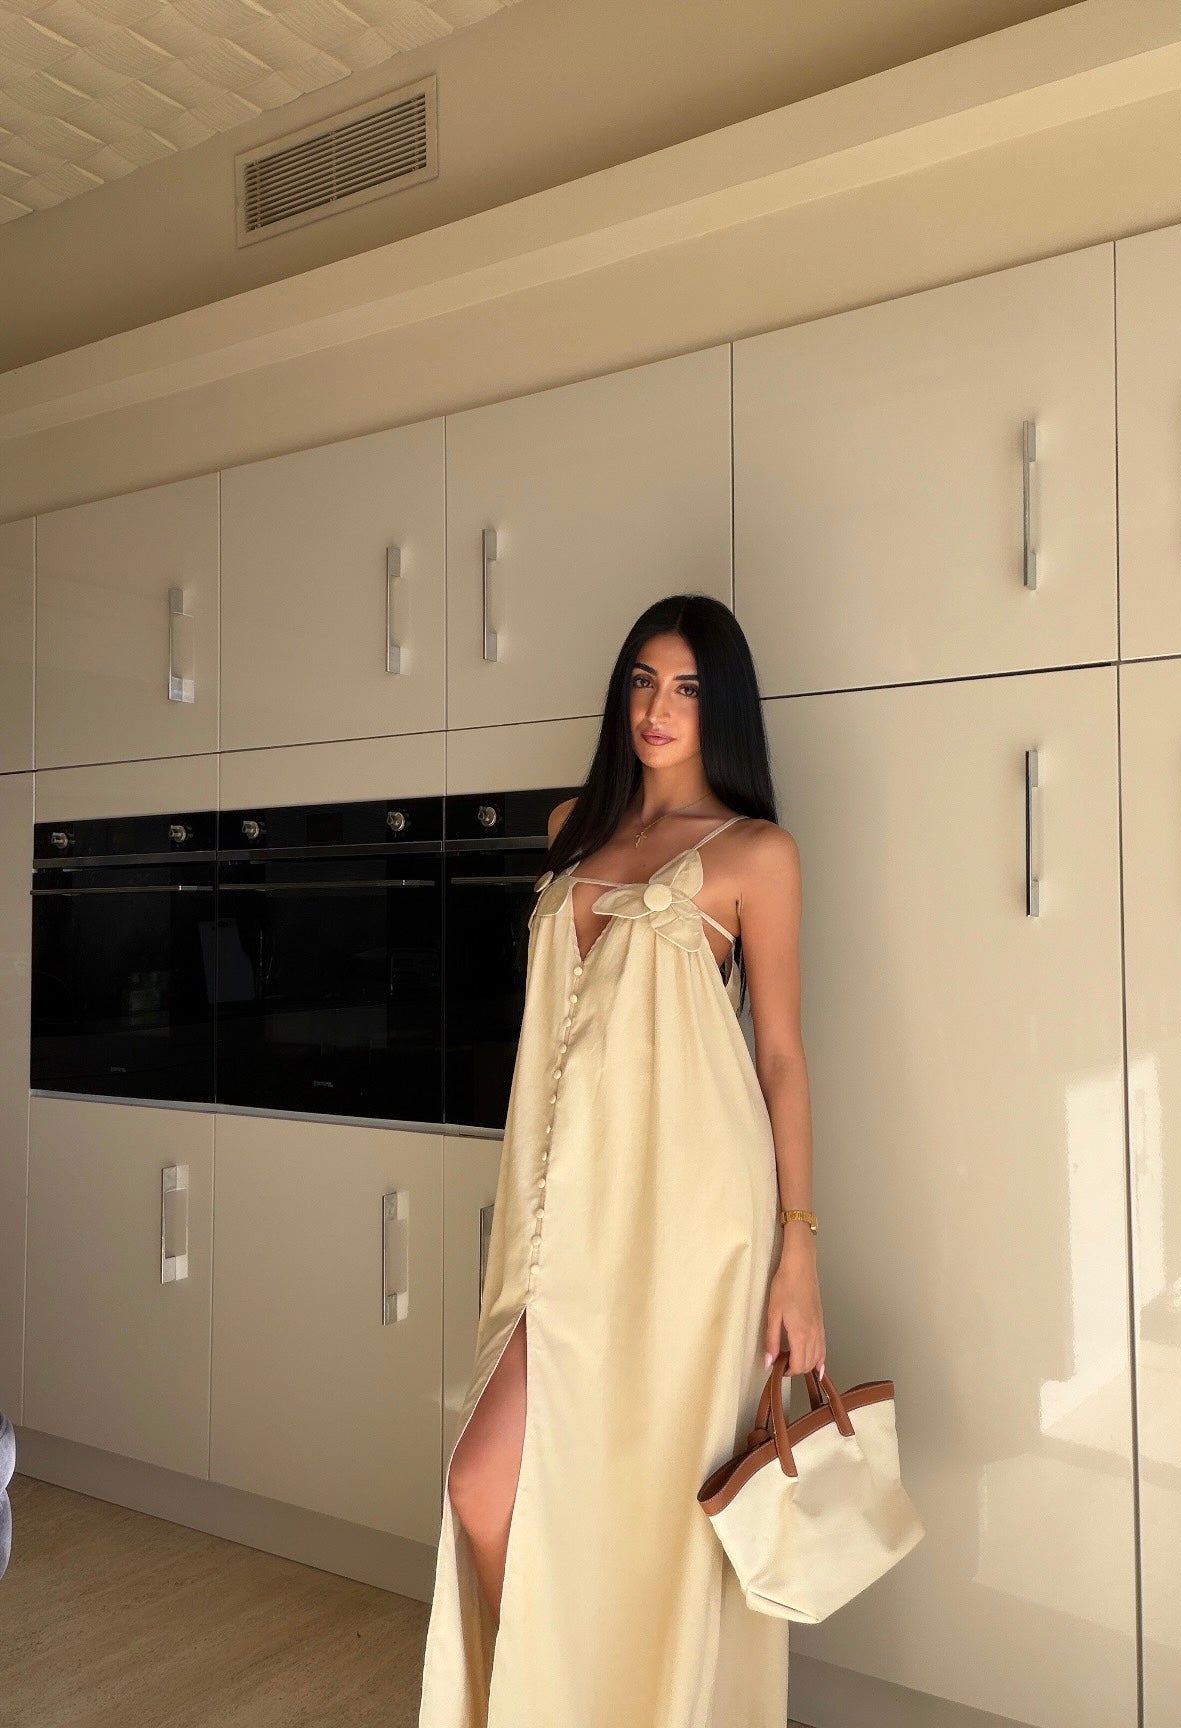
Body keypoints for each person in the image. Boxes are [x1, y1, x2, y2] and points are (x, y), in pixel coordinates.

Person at [418, 592, 825, 1727]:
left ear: (720, 706)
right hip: (559, 1214)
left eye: (687, 687)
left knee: (653, 1512)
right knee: (486, 1482)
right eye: (644, 680)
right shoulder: (571, 829)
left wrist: (798, 1253)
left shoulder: (756, 853)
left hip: (693, 1219)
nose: (658, 707)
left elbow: (781, 1056)